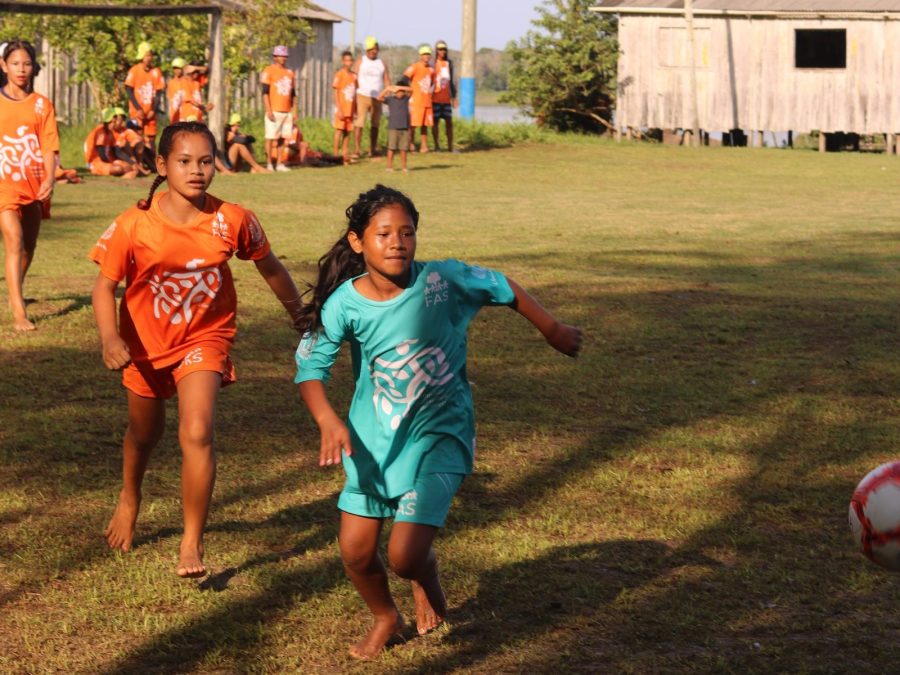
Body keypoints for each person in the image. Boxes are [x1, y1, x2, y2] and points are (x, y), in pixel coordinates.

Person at [293, 185, 583, 659]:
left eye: (407, 232)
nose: (397, 242)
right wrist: (327, 420)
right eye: (384, 233)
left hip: (440, 435)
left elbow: (503, 286)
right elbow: (310, 369)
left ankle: (423, 576)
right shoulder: (344, 303)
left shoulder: (441, 281)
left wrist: (551, 328)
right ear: (357, 242)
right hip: (372, 444)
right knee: (356, 554)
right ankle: (386, 617)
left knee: (405, 555)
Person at [89, 121, 305, 577]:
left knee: (197, 431)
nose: (196, 170)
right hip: (145, 346)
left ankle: (192, 542)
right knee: (144, 434)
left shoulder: (234, 219)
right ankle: (130, 495)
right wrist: (110, 338)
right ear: (162, 165)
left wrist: (299, 315)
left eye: (206, 161)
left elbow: (270, 268)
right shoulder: (134, 223)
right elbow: (104, 286)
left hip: (205, 339)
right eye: (184, 161)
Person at [0, 40, 58, 331]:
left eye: (26, 64)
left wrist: (49, 178)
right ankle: (19, 313)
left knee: (29, 246)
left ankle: (15, 291)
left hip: (33, 184)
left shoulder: (41, 105)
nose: (21, 69)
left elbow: (49, 146)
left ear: (34, 67)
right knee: (14, 238)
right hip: (3, 185)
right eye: (15, 63)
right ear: (3, 66)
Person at [124, 42, 165, 161]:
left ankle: (153, 163)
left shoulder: (156, 71)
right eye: (146, 55)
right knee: (137, 139)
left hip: (150, 113)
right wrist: (138, 109)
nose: (149, 58)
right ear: (142, 56)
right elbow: (129, 90)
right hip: (137, 112)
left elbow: (159, 93)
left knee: (151, 140)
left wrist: (153, 110)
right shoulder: (134, 70)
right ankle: (138, 164)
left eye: (150, 55)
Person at [354, 37, 391, 158]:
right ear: (366, 50)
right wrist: (353, 94)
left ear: (378, 49)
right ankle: (357, 149)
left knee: (375, 124)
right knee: (359, 123)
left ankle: (372, 149)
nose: (373, 51)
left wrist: (388, 94)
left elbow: (386, 80)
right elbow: (354, 78)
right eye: (370, 49)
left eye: (375, 49)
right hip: (362, 95)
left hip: (377, 97)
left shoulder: (381, 63)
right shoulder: (361, 61)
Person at [260, 45, 296, 172]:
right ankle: (269, 163)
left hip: (286, 110)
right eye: (281, 56)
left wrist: (294, 110)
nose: (283, 58)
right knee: (270, 137)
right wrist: (268, 110)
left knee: (283, 138)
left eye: (285, 56)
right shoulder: (268, 70)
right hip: (274, 110)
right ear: (275, 57)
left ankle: (280, 163)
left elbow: (293, 94)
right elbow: (265, 92)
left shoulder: (290, 73)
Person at [84, 107, 140, 179]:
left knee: (129, 167)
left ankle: (127, 173)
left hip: (109, 160)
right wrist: (114, 163)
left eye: (115, 122)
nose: (114, 124)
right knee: (118, 169)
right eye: (113, 122)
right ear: (107, 122)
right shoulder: (100, 131)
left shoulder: (110, 132)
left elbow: (117, 151)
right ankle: (124, 176)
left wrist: (131, 163)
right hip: (96, 162)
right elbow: (102, 154)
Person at [377, 77, 413, 173]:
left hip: (404, 127)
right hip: (393, 127)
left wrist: (400, 87)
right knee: (391, 148)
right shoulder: (390, 99)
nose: (399, 93)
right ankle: (389, 167)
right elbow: (379, 97)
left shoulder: (406, 99)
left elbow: (412, 90)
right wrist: (388, 89)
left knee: (403, 149)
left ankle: (404, 167)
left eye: (401, 92)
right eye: (397, 92)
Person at [404, 46, 435, 154]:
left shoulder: (431, 69)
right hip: (416, 100)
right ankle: (410, 144)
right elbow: (404, 78)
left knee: (425, 124)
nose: (426, 56)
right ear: (420, 55)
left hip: (427, 100)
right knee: (413, 124)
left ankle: (424, 145)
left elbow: (431, 82)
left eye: (428, 54)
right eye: (424, 54)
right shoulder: (415, 67)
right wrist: (408, 90)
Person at [431, 41, 457, 152]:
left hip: (446, 99)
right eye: (440, 49)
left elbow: (451, 81)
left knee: (449, 123)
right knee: (435, 123)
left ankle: (450, 147)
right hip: (435, 98)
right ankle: (437, 146)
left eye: (444, 49)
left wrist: (454, 97)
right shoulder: (433, 63)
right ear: (436, 50)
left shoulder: (448, 63)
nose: (442, 51)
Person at [332, 50, 357, 164]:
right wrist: (339, 109)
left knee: (347, 132)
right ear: (343, 61)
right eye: (346, 60)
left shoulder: (354, 76)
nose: (349, 63)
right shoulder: (339, 74)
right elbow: (336, 92)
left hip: (350, 108)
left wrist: (355, 109)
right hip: (342, 108)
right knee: (339, 130)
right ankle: (335, 155)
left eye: (350, 60)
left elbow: (354, 93)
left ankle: (344, 155)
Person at [166, 57, 191, 124]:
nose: (177, 70)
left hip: (186, 115)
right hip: (175, 115)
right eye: (175, 68)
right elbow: (170, 100)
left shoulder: (187, 81)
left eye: (179, 68)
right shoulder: (171, 83)